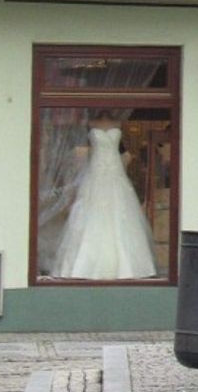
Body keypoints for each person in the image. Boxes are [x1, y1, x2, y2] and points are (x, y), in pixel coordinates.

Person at [51, 112, 157, 280]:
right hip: (96, 171)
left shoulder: (117, 123)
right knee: (92, 211)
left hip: (115, 171)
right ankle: (84, 266)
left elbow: (124, 152)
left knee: (119, 212)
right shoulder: (91, 122)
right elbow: (81, 148)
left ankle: (127, 267)